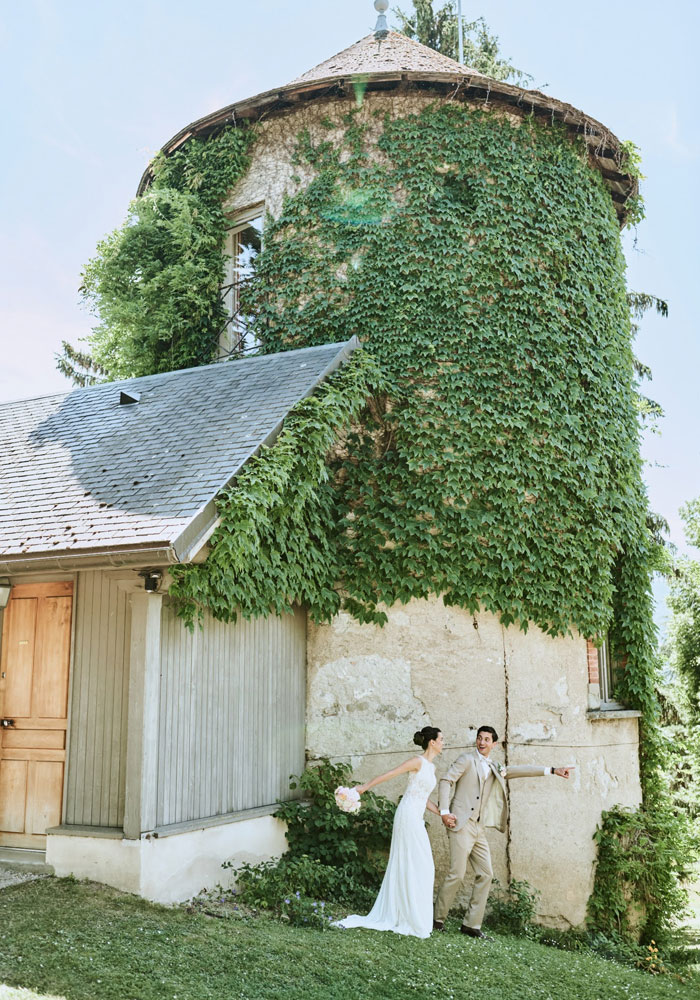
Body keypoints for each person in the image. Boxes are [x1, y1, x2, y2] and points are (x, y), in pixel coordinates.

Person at [433, 725, 573, 939]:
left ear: (494, 744)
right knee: (457, 874)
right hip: (460, 824)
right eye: (479, 738)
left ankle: (471, 924)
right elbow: (446, 781)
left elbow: (519, 770)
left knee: (486, 873)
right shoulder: (466, 759)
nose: (481, 742)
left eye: (487, 739)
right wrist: (444, 811)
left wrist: (552, 770)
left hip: (478, 829)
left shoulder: (495, 766)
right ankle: (437, 919)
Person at [335, 725, 444, 938]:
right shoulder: (417, 761)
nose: (443, 743)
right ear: (432, 742)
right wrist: (364, 787)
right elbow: (392, 773)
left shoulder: (431, 768)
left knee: (423, 866)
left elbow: (423, 796)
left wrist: (441, 813)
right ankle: (404, 914)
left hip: (417, 815)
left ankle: (411, 913)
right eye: (441, 739)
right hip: (407, 816)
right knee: (411, 862)